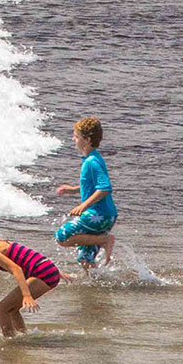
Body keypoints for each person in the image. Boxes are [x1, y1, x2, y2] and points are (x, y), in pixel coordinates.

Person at [55, 115, 119, 269]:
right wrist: (73, 190)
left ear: (87, 140)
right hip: (106, 216)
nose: (73, 139)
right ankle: (96, 287)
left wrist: (83, 206)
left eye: (76, 136)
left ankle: (105, 240)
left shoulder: (92, 162)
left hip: (98, 214)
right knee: (85, 259)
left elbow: (104, 188)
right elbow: (93, 185)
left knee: (62, 236)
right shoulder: (94, 158)